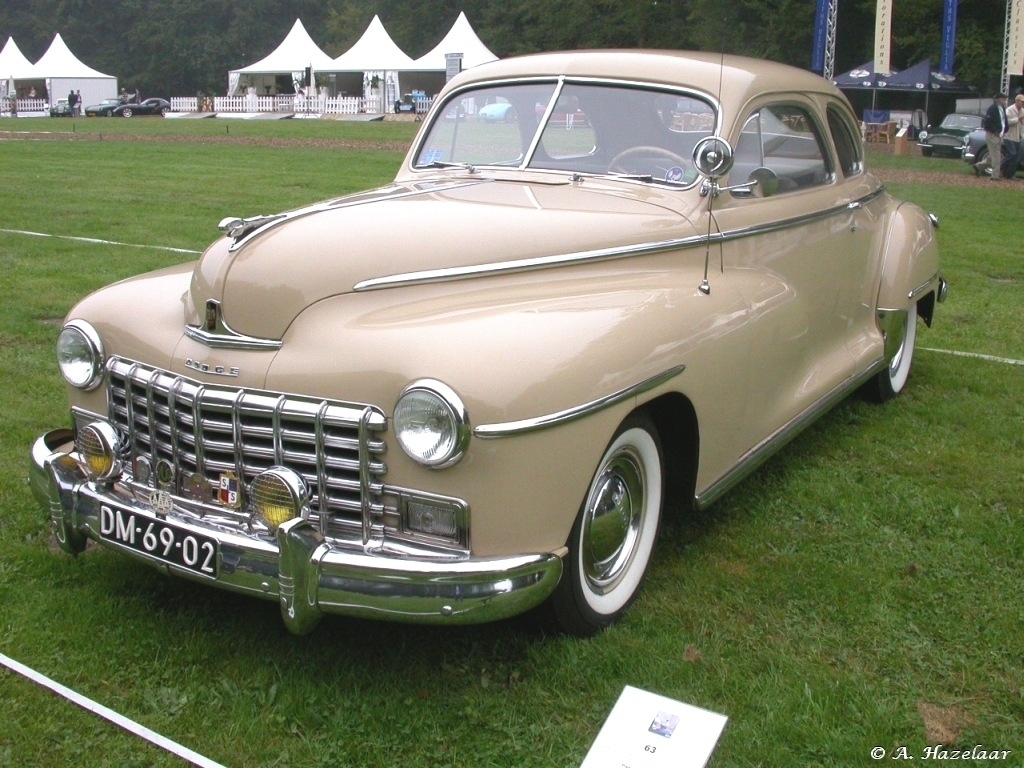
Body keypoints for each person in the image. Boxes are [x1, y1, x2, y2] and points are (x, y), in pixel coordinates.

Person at [976, 92, 1008, 181]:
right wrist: (995, 131)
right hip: (992, 134)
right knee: (997, 155)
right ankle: (995, 175)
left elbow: (1004, 120)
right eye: (1003, 99)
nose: (1005, 101)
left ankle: (979, 166)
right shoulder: (992, 109)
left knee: (993, 155)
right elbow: (987, 122)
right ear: (998, 100)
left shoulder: (1002, 108)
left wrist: (1005, 130)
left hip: (1000, 134)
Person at [1002, 94, 1024, 178]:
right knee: (1012, 153)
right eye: (1022, 102)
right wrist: (1018, 119)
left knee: (1017, 157)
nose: (1023, 103)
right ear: (1017, 101)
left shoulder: (1022, 111)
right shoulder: (1009, 110)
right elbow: (1007, 122)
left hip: (1018, 136)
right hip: (1009, 135)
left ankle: (1010, 174)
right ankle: (999, 167)